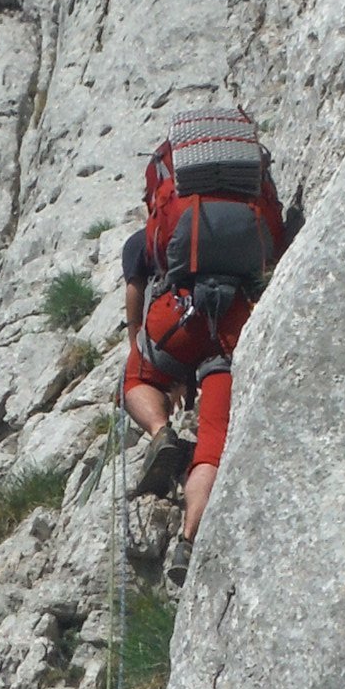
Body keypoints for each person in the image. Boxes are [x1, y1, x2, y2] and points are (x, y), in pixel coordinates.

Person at [119, 95, 293, 577]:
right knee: (214, 440)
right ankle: (188, 539)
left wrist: (140, 343)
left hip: (178, 316)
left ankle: (160, 432)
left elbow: (136, 284)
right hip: (235, 322)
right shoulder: (251, 206)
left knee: (134, 379)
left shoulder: (154, 233)